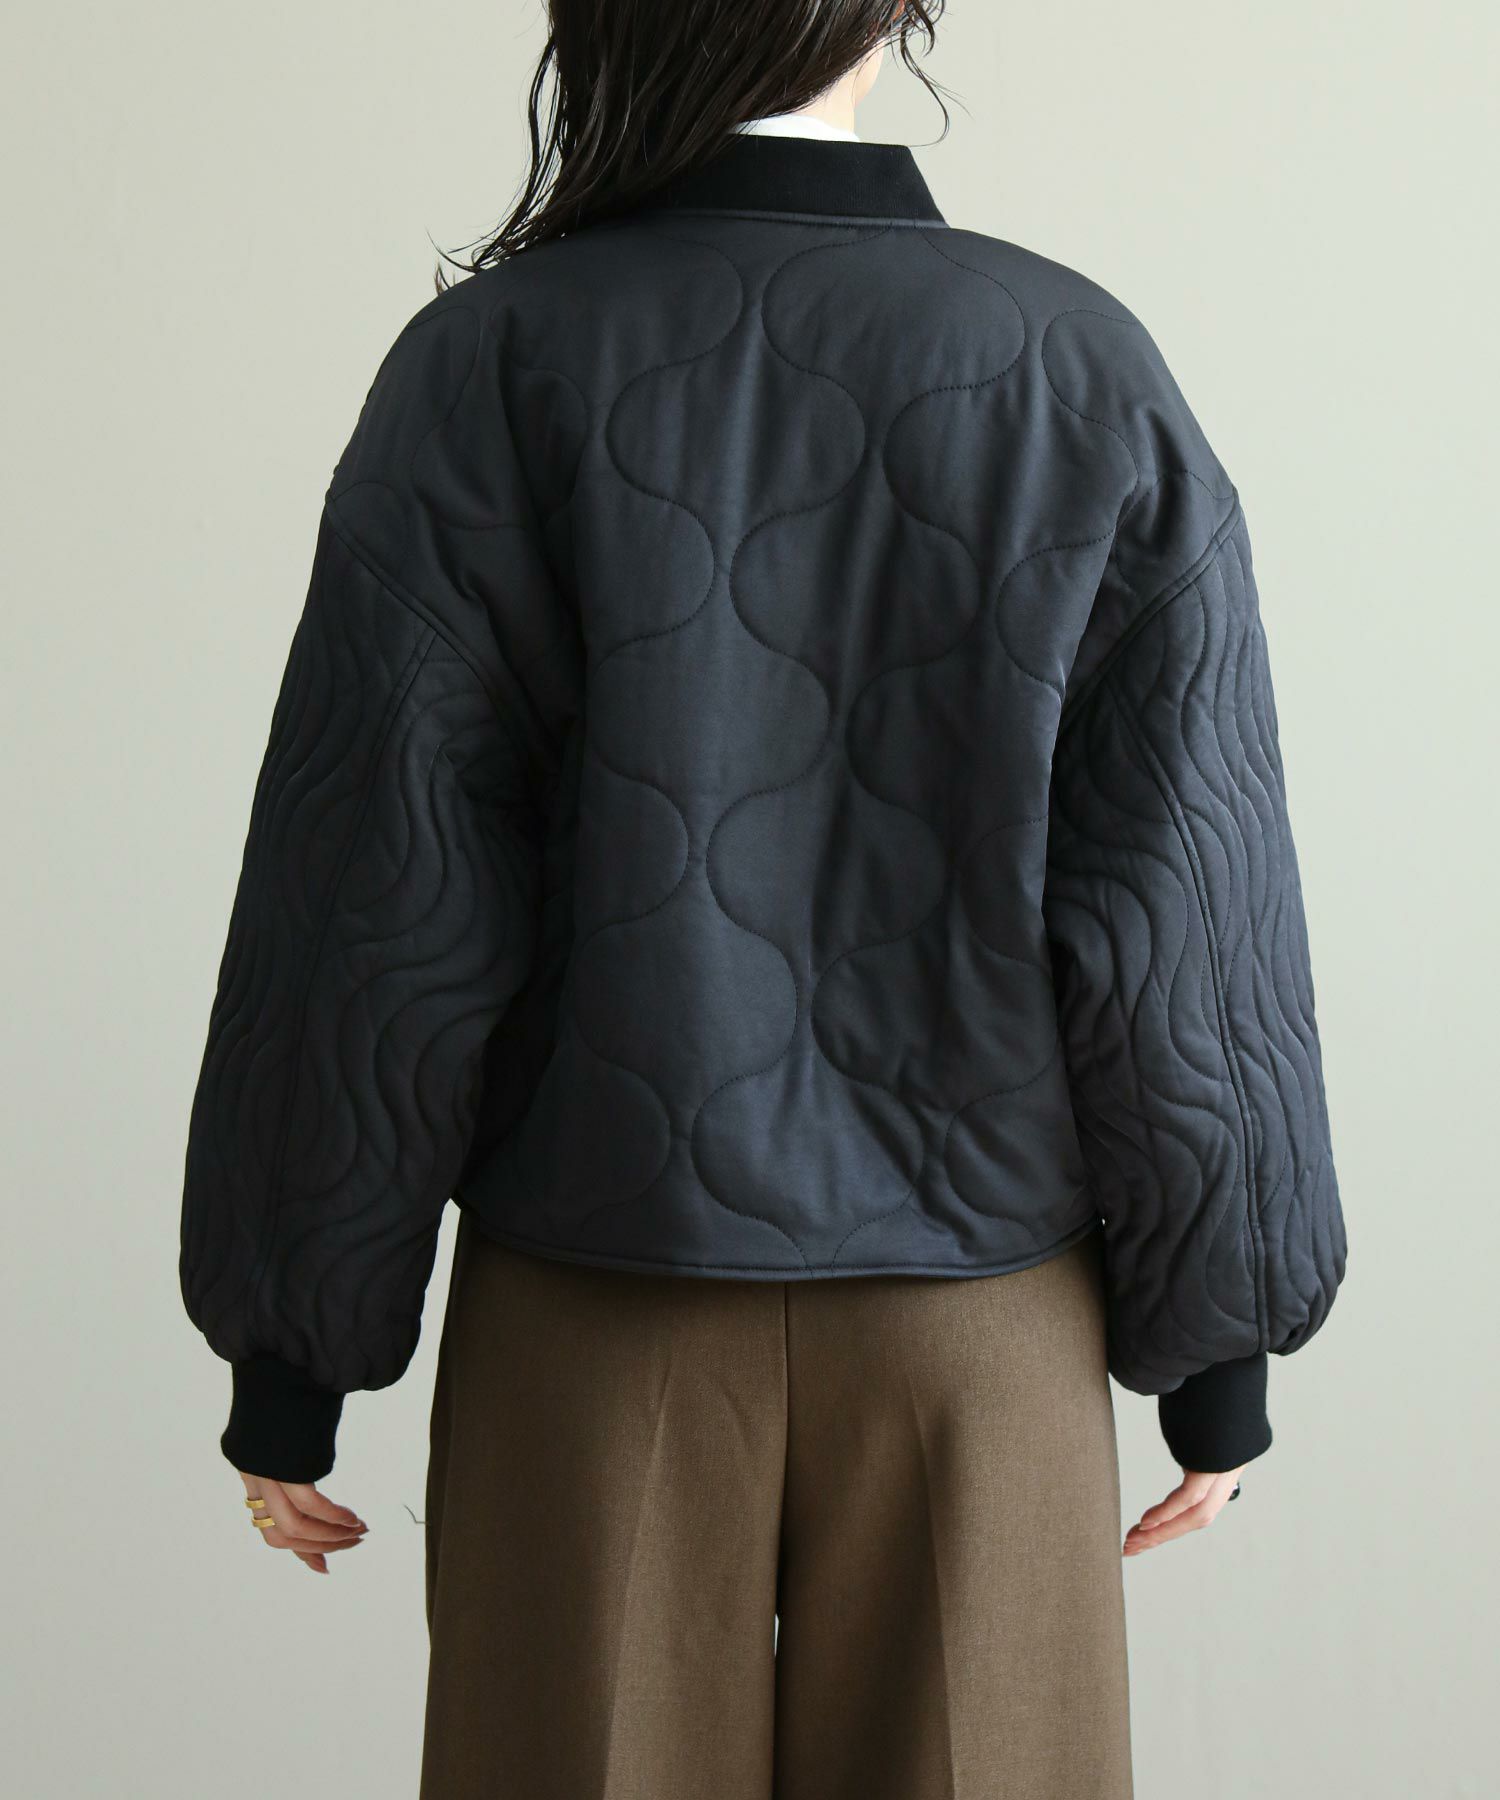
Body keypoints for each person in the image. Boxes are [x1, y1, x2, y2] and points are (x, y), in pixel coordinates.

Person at [178, 2, 1348, 1793]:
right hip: (981, 1323)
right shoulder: (1076, 364)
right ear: (889, 20)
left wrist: (294, 1350)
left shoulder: (491, 362)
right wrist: (1220, 1351)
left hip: (595, 1308)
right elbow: (1185, 895)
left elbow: (375, 898)